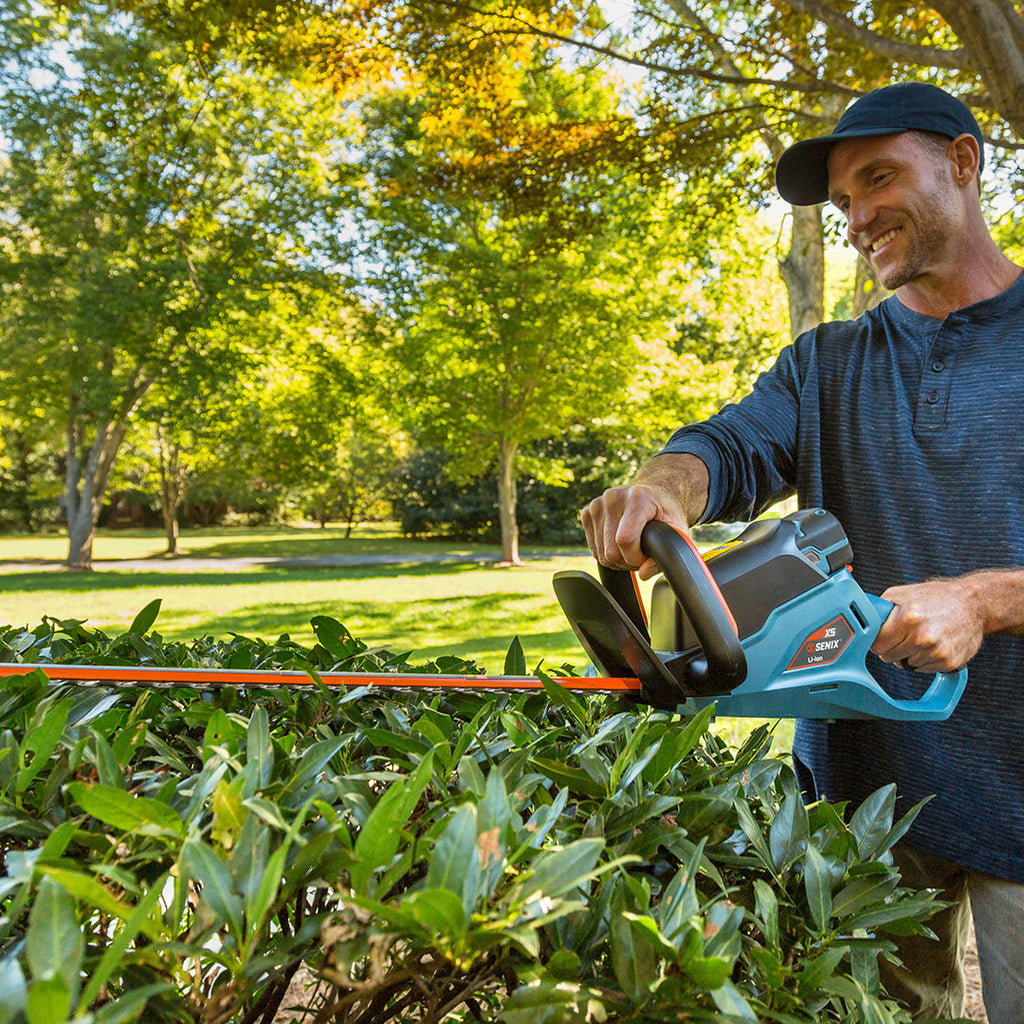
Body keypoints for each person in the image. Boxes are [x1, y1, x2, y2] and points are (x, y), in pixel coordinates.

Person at [581, 81, 1024, 1024]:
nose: (858, 217)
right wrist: (664, 489)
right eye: (843, 201)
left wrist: (984, 600)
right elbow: (730, 446)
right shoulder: (825, 364)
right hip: (863, 803)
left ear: (963, 162)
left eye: (877, 179)